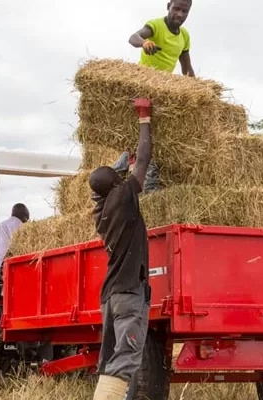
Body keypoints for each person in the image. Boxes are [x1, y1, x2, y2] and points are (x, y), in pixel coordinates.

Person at [88, 100, 154, 399]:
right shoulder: (124, 198)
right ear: (117, 184)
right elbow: (143, 160)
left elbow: (109, 177)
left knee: (111, 360)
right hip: (128, 293)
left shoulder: (101, 210)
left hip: (111, 296)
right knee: (126, 357)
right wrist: (144, 119)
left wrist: (120, 162)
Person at [128, 0, 195, 77]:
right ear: (168, 6)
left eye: (184, 11)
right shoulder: (156, 25)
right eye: (176, 9)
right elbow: (133, 37)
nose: (180, 14)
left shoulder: (184, 35)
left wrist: (198, 87)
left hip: (163, 82)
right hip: (143, 76)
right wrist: (144, 43)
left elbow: (187, 69)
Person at [0, 203, 30, 272]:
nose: (27, 221)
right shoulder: (24, 228)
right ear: (24, 216)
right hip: (14, 267)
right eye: (27, 218)